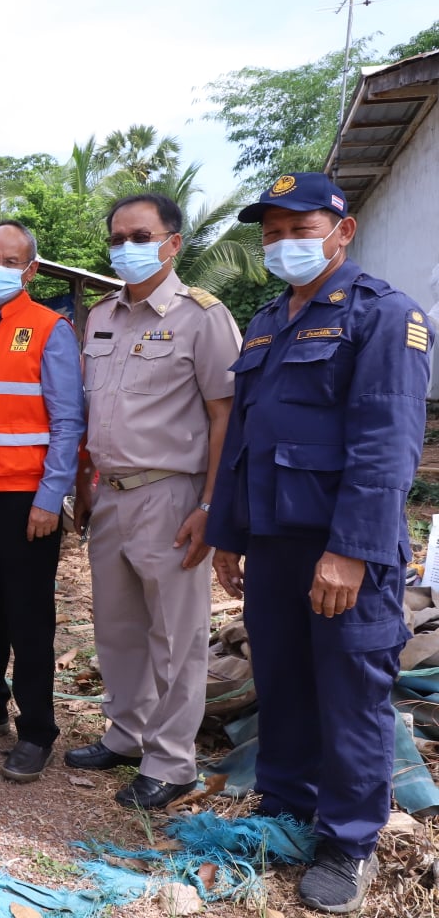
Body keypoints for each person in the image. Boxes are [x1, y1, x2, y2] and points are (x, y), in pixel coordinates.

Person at [207, 172, 428, 914]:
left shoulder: (384, 315)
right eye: (271, 233)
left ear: (343, 230)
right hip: (272, 541)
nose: (283, 244)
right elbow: (244, 440)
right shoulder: (269, 320)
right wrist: (229, 534)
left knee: (351, 694)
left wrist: (351, 551)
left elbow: (386, 446)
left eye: (300, 230)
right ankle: (286, 808)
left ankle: (348, 842)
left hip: (344, 548)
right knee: (284, 681)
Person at [69, 193, 241, 810]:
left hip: (173, 495)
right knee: (117, 627)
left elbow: (226, 418)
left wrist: (211, 506)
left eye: (140, 236)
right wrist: (84, 484)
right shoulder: (101, 315)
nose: (126, 248)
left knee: (175, 634)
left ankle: (171, 762)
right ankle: (126, 734)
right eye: (117, 237)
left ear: (173, 243)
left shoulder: (203, 317)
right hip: (110, 494)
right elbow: (92, 411)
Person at [0, 221, 85, 783]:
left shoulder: (50, 329)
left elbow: (68, 420)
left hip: (25, 496)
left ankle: (36, 730)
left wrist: (51, 498)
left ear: (30, 270)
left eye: (12, 262)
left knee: (28, 614)